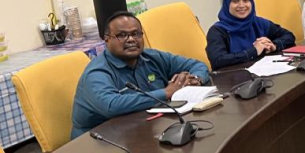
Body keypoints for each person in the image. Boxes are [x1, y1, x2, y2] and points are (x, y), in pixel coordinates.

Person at [71, 10, 209, 139]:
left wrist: (196, 79)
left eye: (136, 34)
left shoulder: (152, 57)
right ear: (107, 40)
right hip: (98, 141)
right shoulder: (97, 72)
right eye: (122, 35)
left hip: (142, 129)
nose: (131, 39)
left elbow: (197, 65)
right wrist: (166, 92)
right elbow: (111, 105)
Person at [205, 0, 295, 70]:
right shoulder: (217, 31)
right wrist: (253, 51)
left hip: (263, 73)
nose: (241, 5)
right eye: (235, 1)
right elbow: (217, 60)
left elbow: (289, 36)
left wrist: (274, 45)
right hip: (232, 78)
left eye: (245, 0)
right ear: (227, 4)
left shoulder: (259, 23)